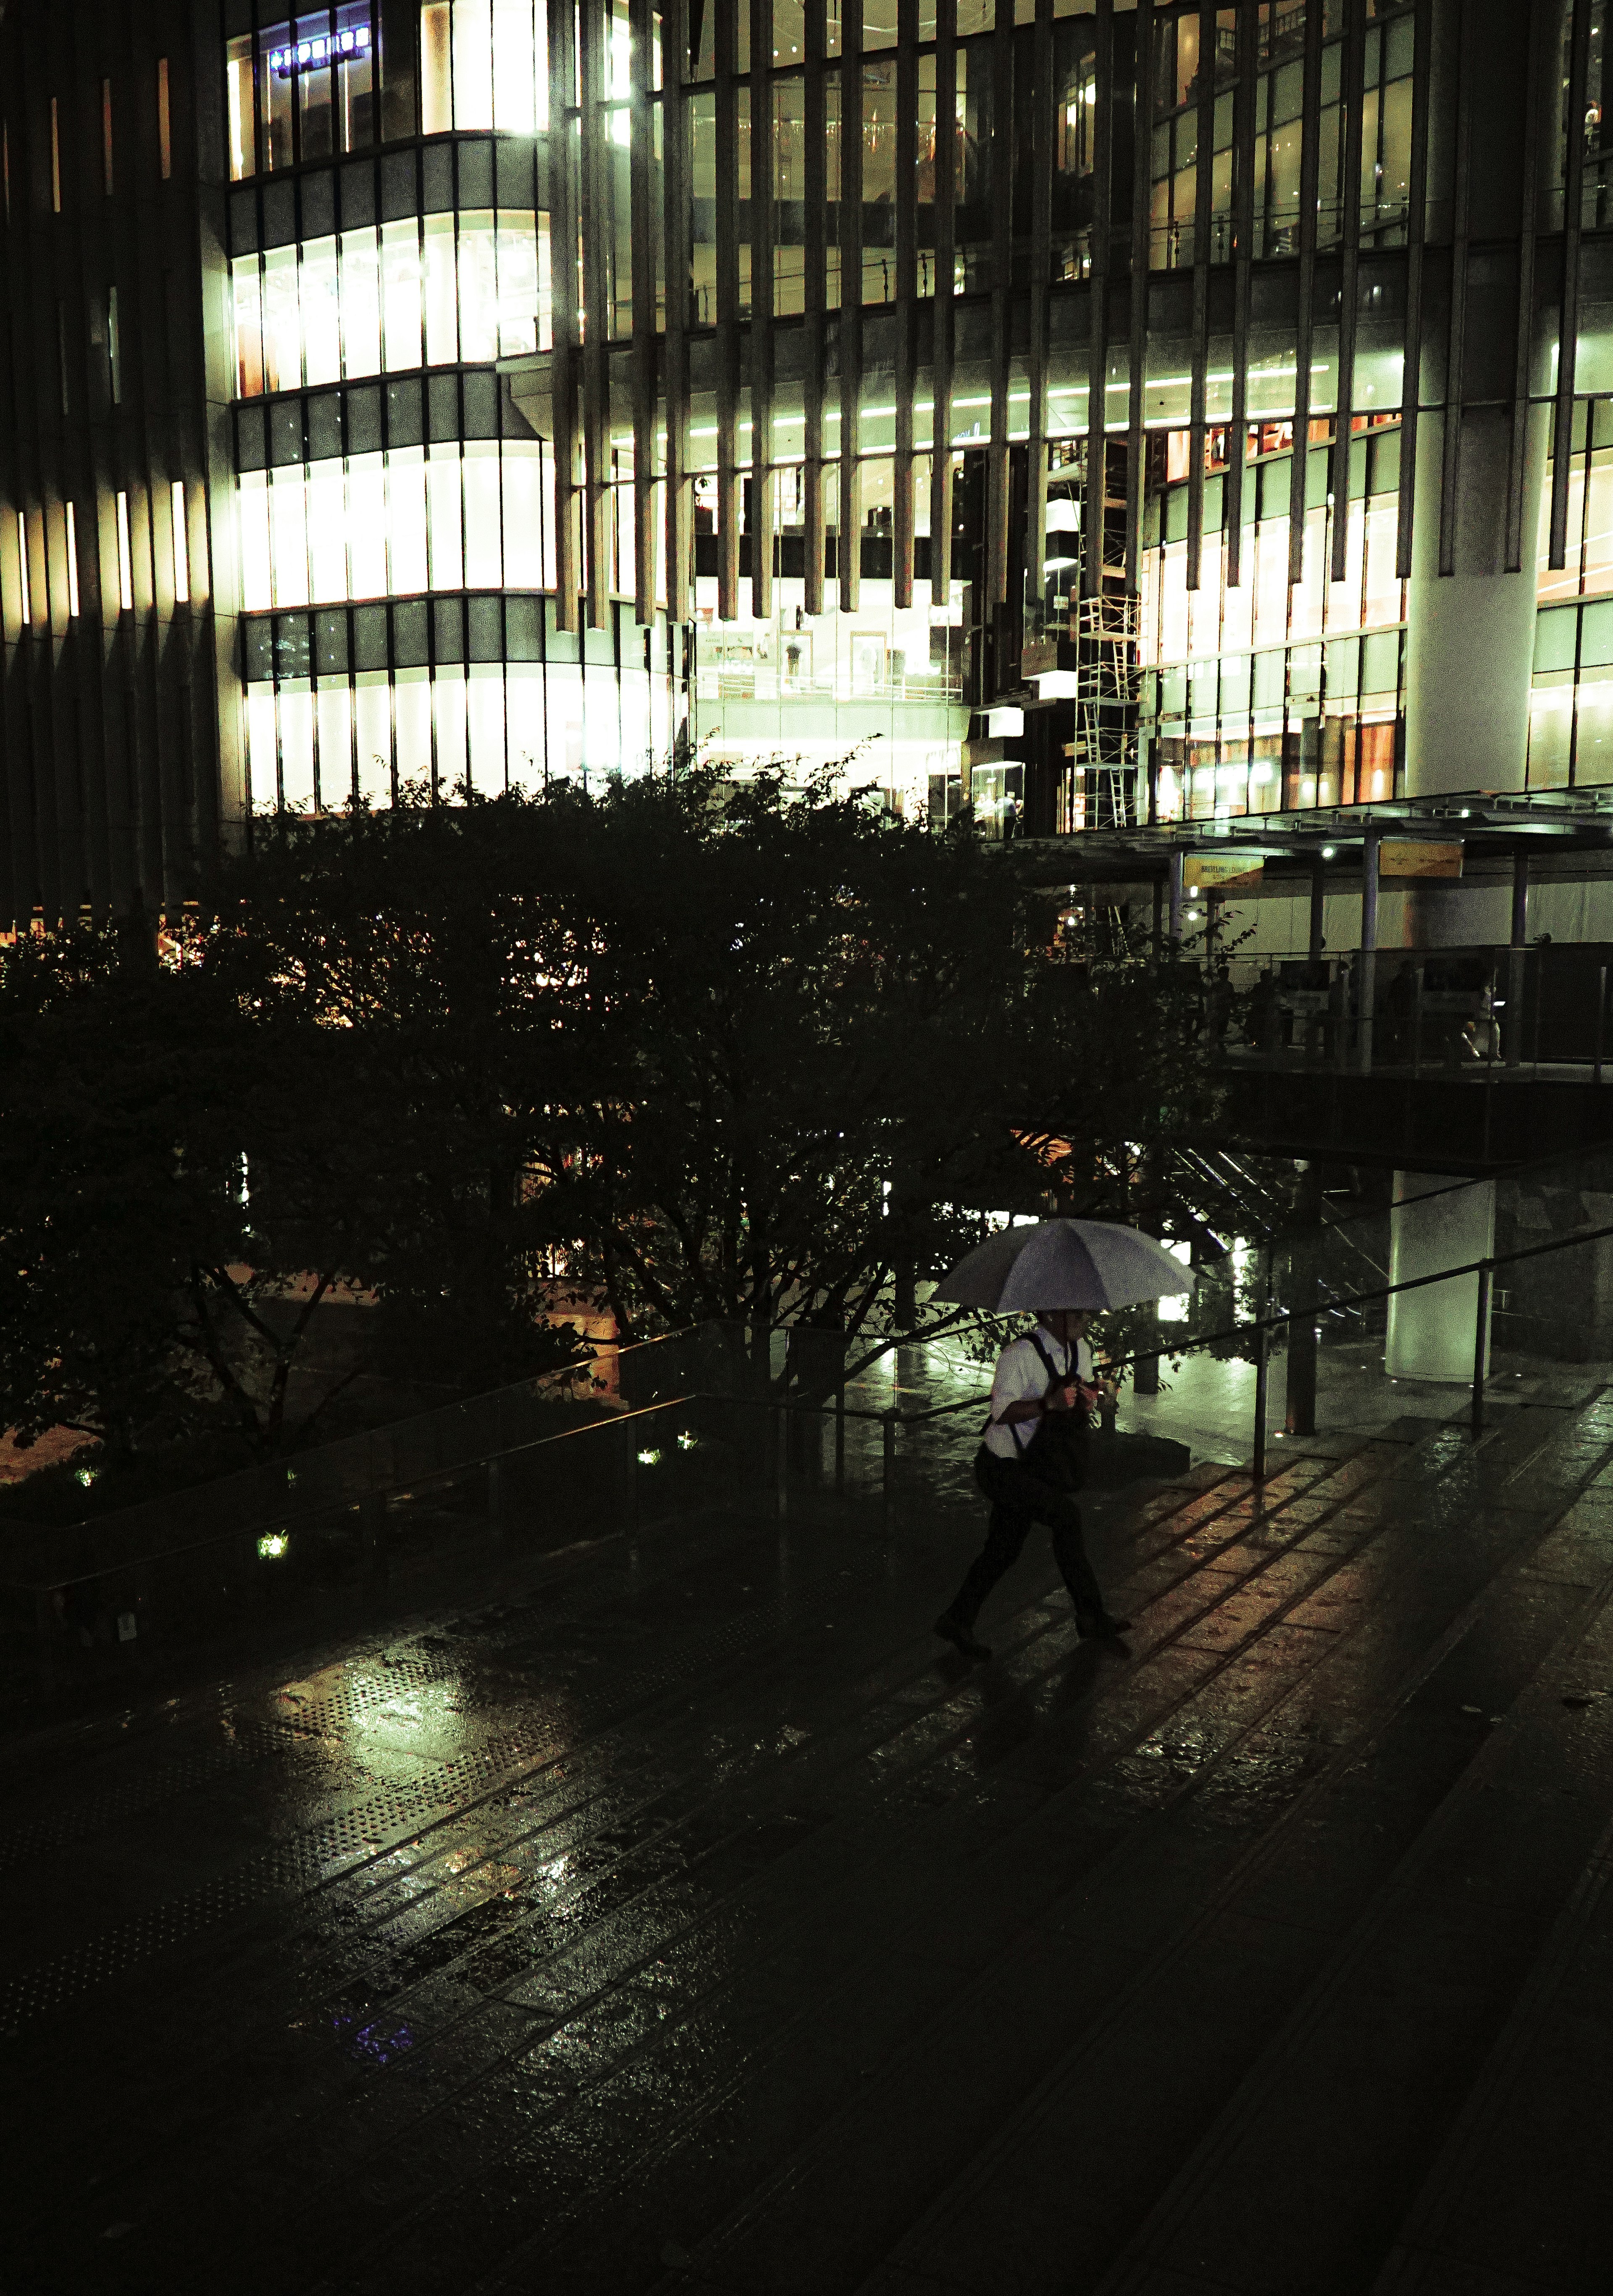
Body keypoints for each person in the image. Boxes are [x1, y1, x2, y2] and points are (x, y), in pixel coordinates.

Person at [934, 1307, 1130, 1662]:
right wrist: (1048, 1403)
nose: (1086, 1320)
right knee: (1066, 1518)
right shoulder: (1019, 1355)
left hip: (1037, 1464)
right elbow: (1001, 1411)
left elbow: (1080, 1399)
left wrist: (1089, 1400)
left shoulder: (1080, 1349)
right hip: (1002, 1465)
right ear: (1055, 1315)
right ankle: (1091, 1615)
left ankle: (956, 1619)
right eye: (1079, 1314)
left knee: (1003, 1549)